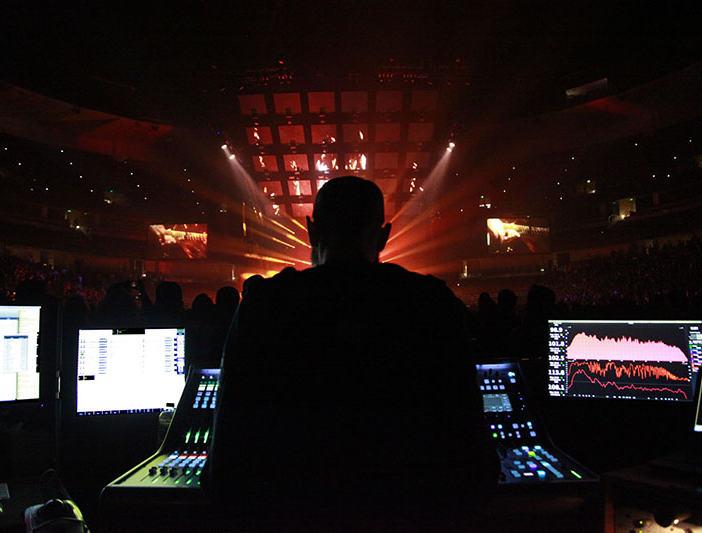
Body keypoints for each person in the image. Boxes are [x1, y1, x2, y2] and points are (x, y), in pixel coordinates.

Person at [204, 176, 496, 527]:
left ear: (311, 231)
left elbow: (226, 459)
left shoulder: (264, 304)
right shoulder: (431, 304)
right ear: (384, 235)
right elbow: (472, 453)